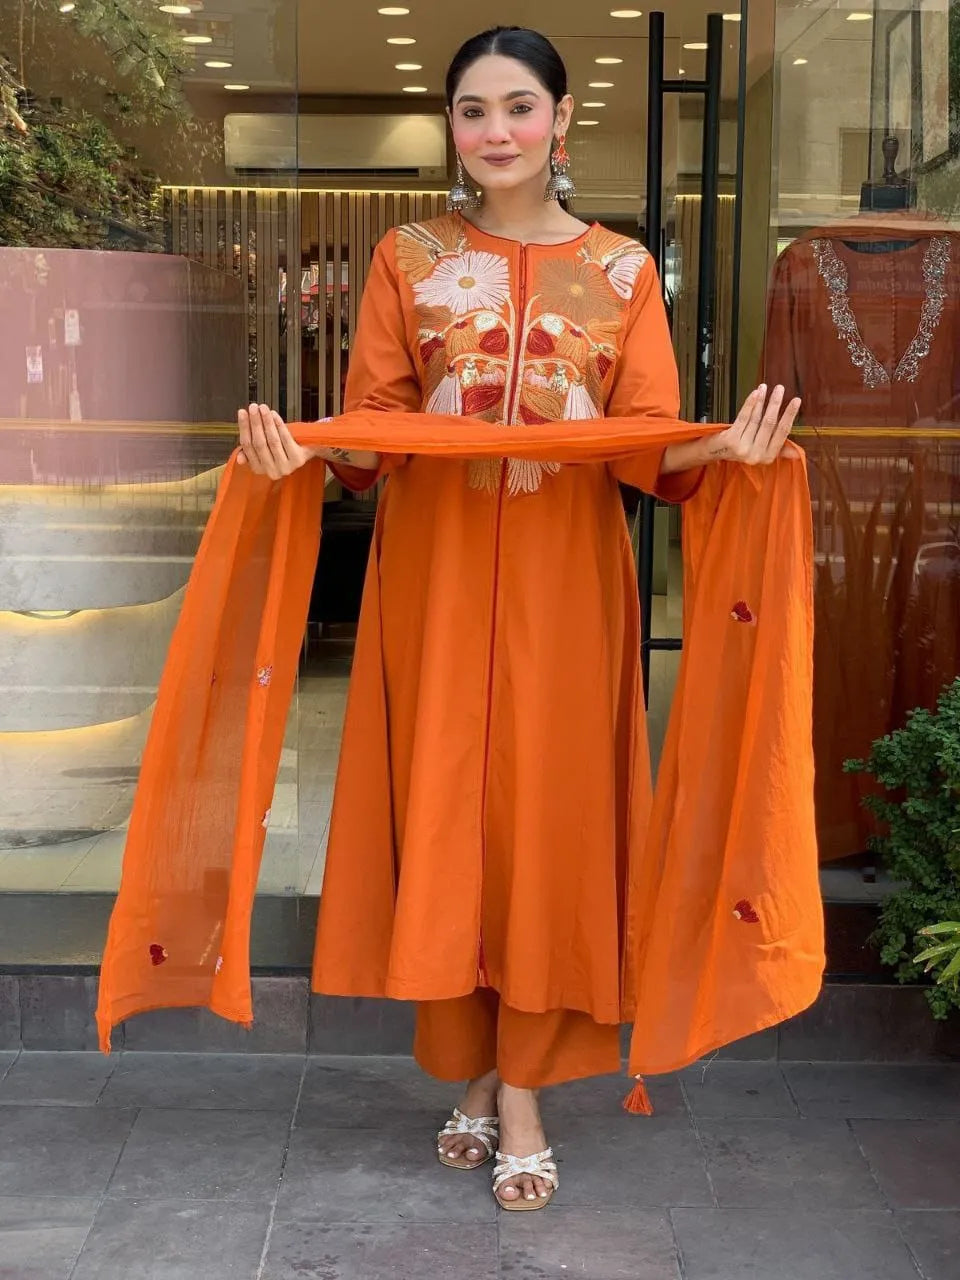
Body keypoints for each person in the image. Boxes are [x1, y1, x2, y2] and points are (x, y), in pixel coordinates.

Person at [236, 26, 801, 1212]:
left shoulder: (626, 271)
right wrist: (304, 453)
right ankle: (480, 1072)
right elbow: (374, 428)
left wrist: (729, 448)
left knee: (548, 827)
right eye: (474, 110)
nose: (496, 131)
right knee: (450, 820)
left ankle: (521, 1089)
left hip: (568, 593)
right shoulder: (408, 257)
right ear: (453, 127)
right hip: (432, 590)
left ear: (560, 119)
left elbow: (648, 444)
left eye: (519, 107)